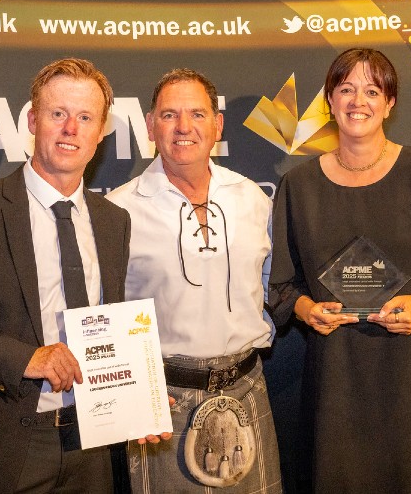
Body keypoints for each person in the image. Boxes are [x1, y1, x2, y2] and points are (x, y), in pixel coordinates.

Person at [0, 58, 168, 494]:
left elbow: (110, 326)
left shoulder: (112, 220)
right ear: (31, 120)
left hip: (92, 445)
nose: (71, 128)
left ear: (101, 131)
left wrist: (135, 403)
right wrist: (25, 358)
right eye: (58, 113)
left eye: (85, 117)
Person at [268, 48, 411, 493]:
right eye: (346, 89)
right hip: (339, 375)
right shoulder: (299, 185)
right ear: (329, 100)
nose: (358, 101)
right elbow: (282, 285)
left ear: (390, 103)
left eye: (372, 90)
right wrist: (307, 308)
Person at [106, 68, 282, 493]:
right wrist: (134, 398)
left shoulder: (253, 199)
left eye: (197, 114)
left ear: (217, 125)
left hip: (247, 388)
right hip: (162, 403)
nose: (184, 127)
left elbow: (274, 285)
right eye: (169, 115)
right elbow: (105, 312)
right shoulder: (118, 210)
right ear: (150, 126)